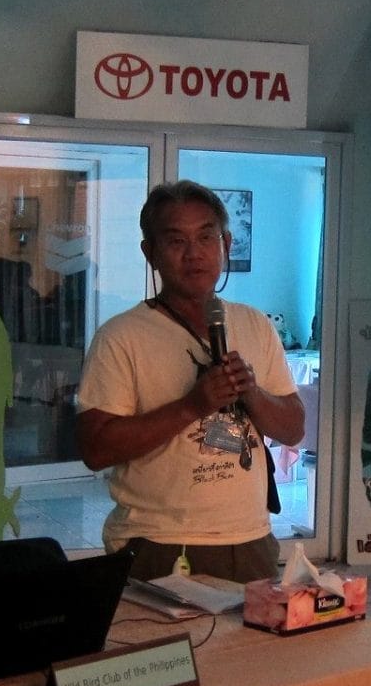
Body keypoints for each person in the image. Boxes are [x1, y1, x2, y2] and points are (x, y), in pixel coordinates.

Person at [76, 181, 304, 583]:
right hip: (158, 544)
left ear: (226, 243)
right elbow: (95, 449)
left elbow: (293, 428)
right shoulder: (121, 336)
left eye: (206, 237)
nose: (194, 253)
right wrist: (192, 406)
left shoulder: (255, 325)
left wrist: (250, 391)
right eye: (176, 240)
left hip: (249, 540)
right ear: (151, 253)